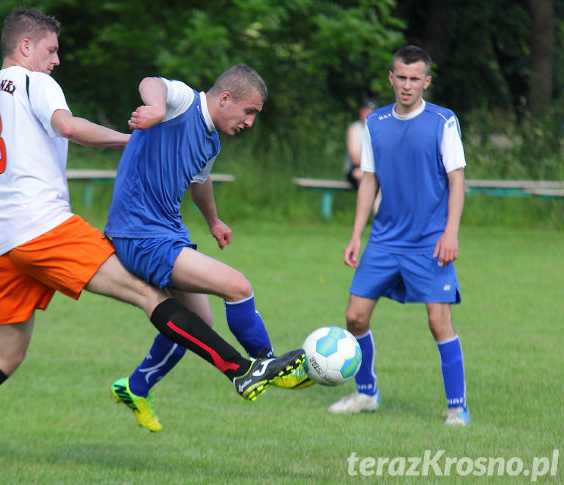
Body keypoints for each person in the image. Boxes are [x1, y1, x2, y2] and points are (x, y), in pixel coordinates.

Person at [0, 8, 304, 468]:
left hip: (2, 246)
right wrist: (126, 140)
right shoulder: (35, 82)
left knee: (6, 355)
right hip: (44, 228)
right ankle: (239, 370)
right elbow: (69, 127)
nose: (56, 59)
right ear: (26, 47)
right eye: (51, 49)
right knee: (147, 292)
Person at [104, 66, 312, 433]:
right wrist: (153, 107)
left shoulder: (211, 140)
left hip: (165, 232)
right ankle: (265, 363)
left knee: (198, 324)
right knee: (238, 286)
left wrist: (214, 221)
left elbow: (199, 180)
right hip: (140, 234)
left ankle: (135, 387)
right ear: (226, 98)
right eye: (249, 112)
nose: (250, 122)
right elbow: (150, 82)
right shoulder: (184, 103)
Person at [328, 45, 469, 426]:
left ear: (426, 81)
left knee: (438, 321)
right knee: (354, 317)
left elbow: (457, 182)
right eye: (401, 78)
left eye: (415, 78)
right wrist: (357, 234)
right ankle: (366, 394)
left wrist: (450, 232)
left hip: (430, 241)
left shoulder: (443, 121)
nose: (407, 85)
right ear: (392, 78)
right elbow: (369, 180)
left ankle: (457, 406)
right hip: (386, 240)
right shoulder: (375, 122)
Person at [344, 100, 376, 189]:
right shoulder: (355, 129)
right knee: (368, 177)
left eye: (372, 112)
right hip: (355, 169)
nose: (369, 114)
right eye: (366, 112)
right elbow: (356, 159)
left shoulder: (380, 130)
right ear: (360, 113)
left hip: (374, 169)